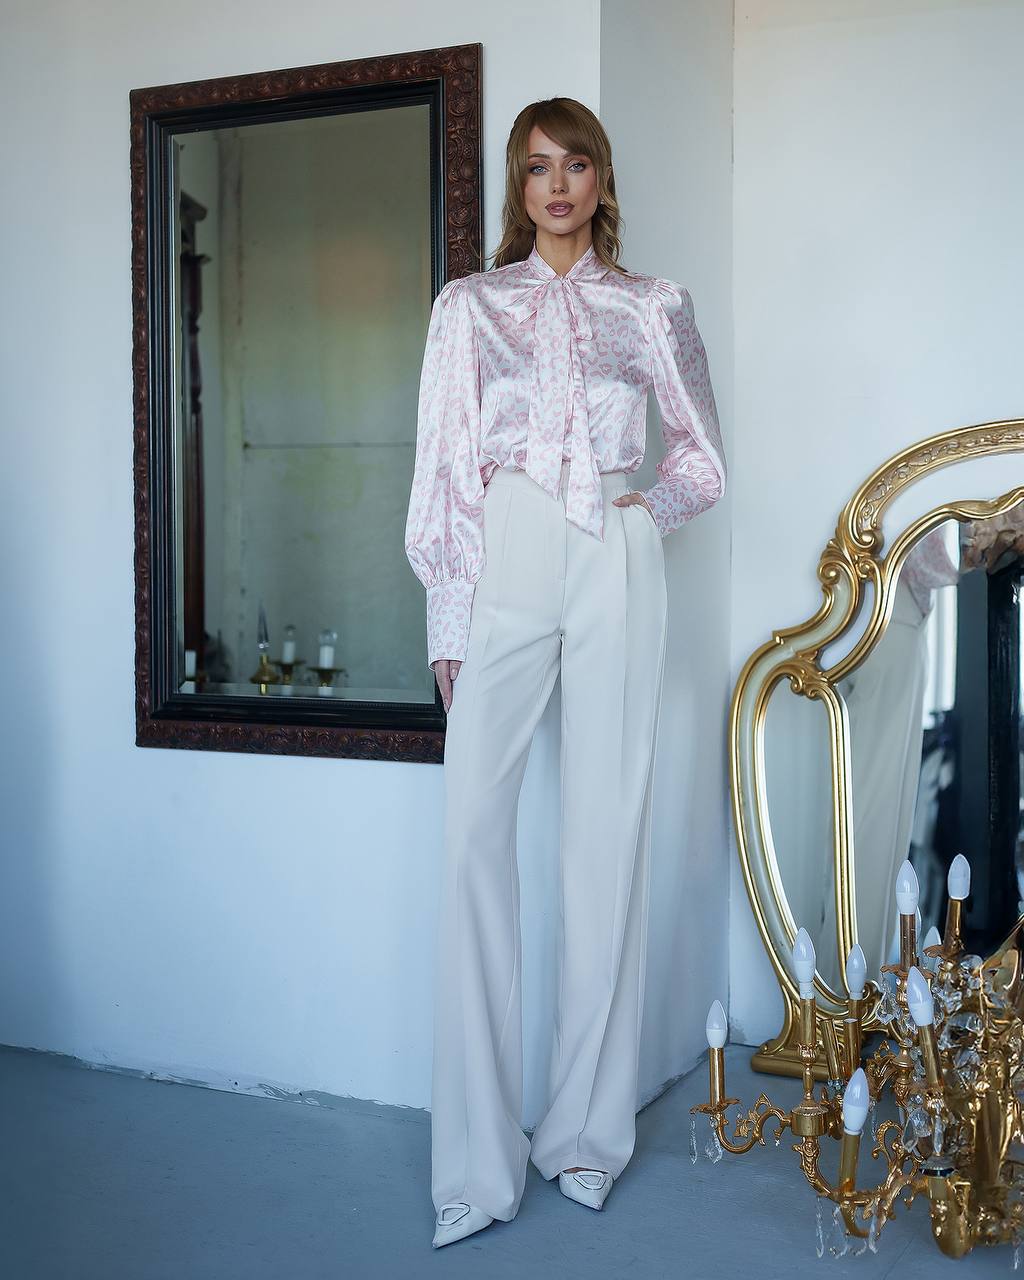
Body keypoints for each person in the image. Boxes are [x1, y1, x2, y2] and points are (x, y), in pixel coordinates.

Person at [404, 97, 727, 1249]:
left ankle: (584, 1136)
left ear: (598, 180)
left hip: (613, 556)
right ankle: (475, 1166)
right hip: (505, 552)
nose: (555, 185)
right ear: (516, 183)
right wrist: (451, 615)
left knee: (605, 834)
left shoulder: (652, 307)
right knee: (473, 838)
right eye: (535, 167)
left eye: (574, 164)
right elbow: (444, 471)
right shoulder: (468, 308)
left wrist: (647, 512)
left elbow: (701, 457)